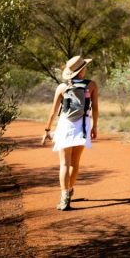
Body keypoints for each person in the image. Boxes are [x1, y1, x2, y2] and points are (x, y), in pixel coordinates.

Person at [41, 56, 98, 211]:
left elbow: (53, 112)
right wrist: (94, 127)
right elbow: (96, 109)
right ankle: (70, 189)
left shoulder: (62, 87)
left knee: (64, 164)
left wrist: (47, 130)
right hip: (83, 126)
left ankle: (64, 196)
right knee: (75, 163)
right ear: (82, 70)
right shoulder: (91, 85)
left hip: (65, 125)